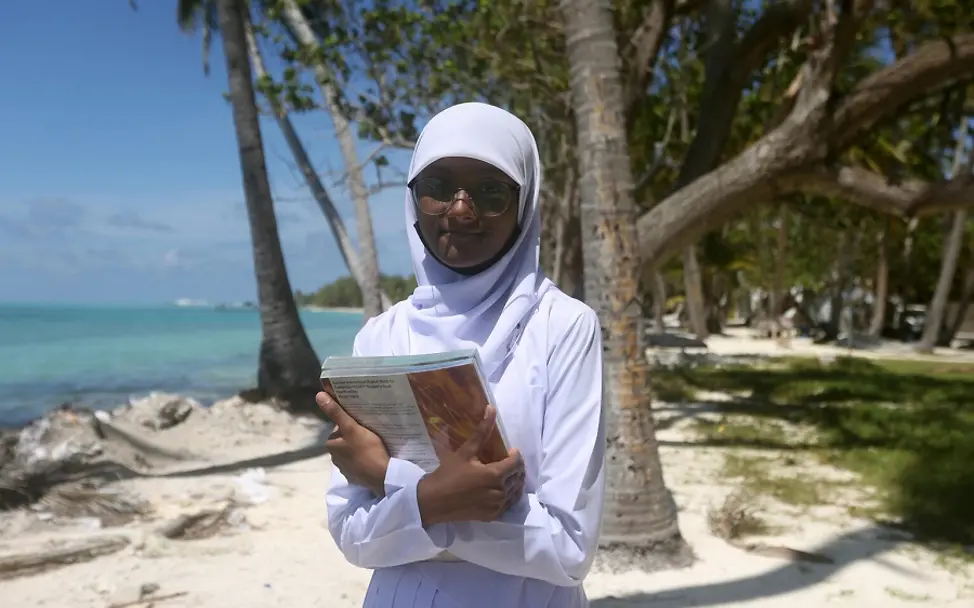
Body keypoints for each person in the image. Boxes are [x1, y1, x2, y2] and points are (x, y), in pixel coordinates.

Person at [317, 102, 606, 608]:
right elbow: (350, 532)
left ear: (525, 202)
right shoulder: (381, 337)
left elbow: (567, 547)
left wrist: (402, 487)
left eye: (492, 192)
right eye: (438, 188)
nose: (460, 209)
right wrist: (445, 505)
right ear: (414, 200)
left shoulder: (562, 327)